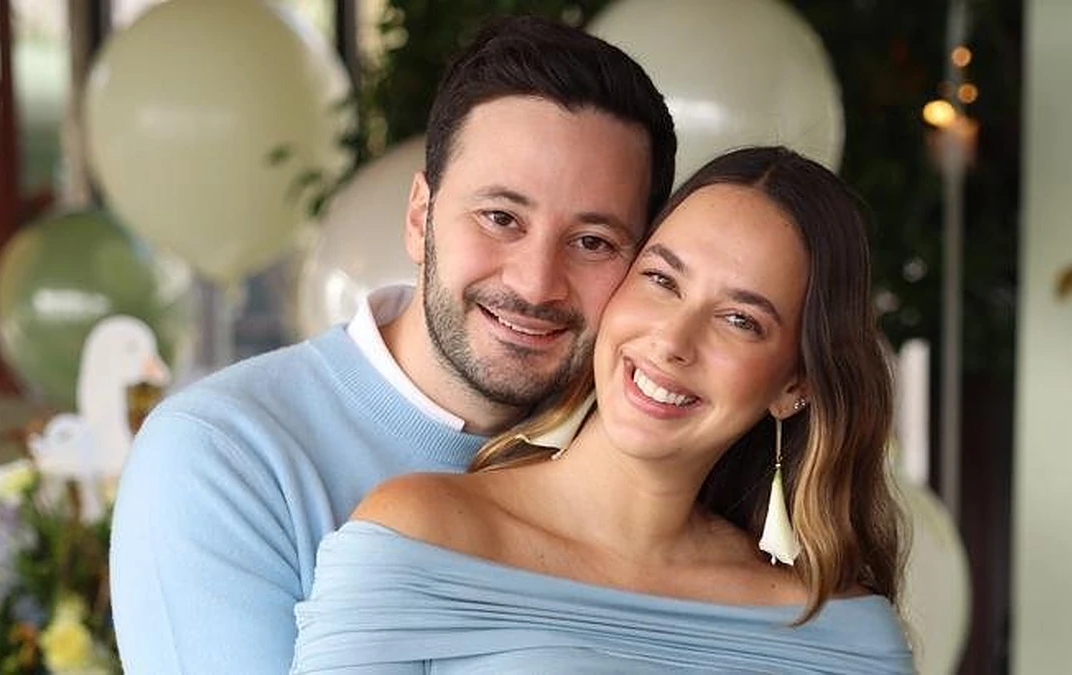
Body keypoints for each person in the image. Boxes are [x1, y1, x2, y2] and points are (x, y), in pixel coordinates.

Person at [110, 16, 676, 674]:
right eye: (500, 217)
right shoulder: (224, 454)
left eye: (593, 242)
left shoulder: (654, 457)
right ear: (419, 215)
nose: (535, 283)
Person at [291, 147, 914, 674]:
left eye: (739, 320)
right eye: (662, 280)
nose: (673, 340)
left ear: (795, 384)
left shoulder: (846, 638)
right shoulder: (418, 536)